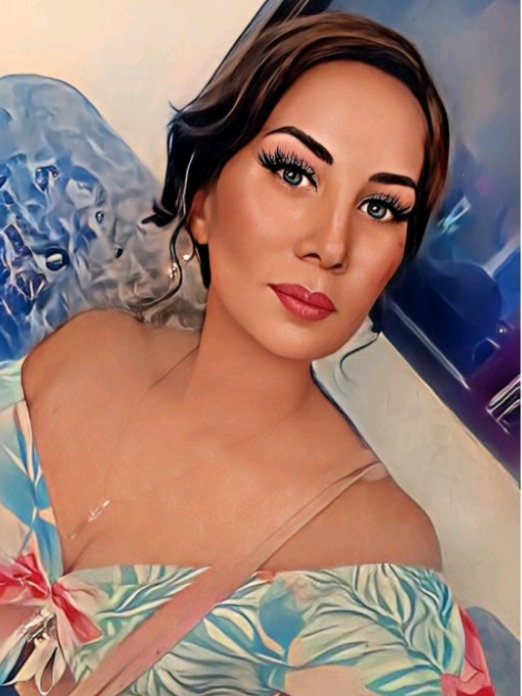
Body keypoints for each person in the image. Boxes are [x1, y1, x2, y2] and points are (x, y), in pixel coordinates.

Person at [0, 6, 496, 696]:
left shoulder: (383, 561)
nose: (331, 244)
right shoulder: (85, 348)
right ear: (203, 199)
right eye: (294, 172)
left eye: (381, 207)